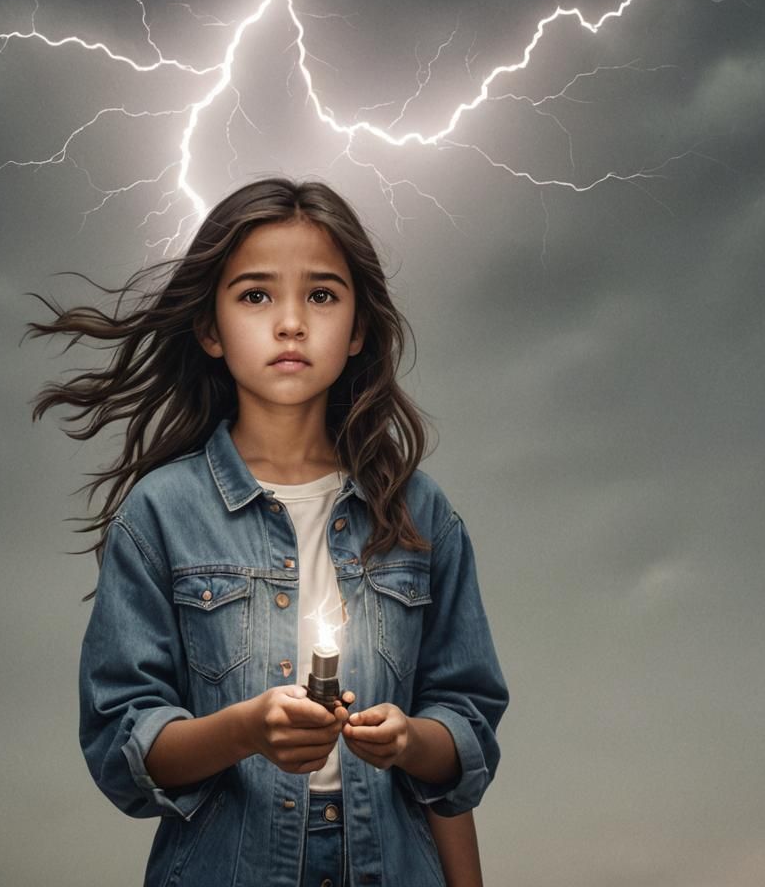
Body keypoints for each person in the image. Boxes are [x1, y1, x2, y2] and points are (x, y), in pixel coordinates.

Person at [29, 178, 508, 887]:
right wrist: (246, 729)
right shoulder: (160, 515)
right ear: (211, 329)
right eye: (256, 295)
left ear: (359, 329)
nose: (291, 323)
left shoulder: (419, 513)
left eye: (321, 295)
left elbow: (462, 737)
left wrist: (411, 742)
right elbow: (122, 745)